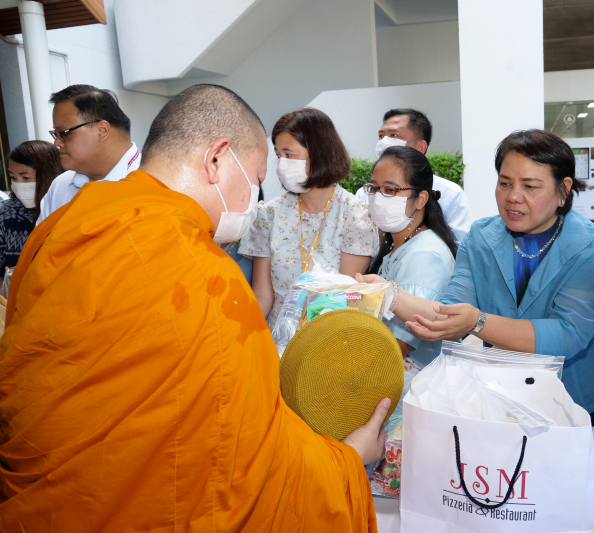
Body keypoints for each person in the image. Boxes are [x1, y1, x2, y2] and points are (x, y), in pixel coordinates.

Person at [0, 84, 387, 531]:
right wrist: (347, 460)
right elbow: (252, 464)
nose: (255, 197)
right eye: (258, 178)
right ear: (216, 159)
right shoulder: (204, 277)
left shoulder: (65, 225)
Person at [359, 129, 594, 423]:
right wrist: (388, 292)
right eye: (504, 183)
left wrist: (477, 321)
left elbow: (565, 336)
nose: (513, 197)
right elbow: (450, 313)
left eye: (530, 186)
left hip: (577, 401)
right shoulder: (482, 237)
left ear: (563, 189)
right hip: (504, 398)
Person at [239, 108, 378, 325]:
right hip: (277, 338)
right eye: (278, 155)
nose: (281, 164)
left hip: (329, 336)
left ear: (319, 152)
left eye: (289, 154)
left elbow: (345, 294)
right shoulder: (269, 215)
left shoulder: (355, 215)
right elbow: (263, 296)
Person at [364, 146, 457, 368]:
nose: (378, 198)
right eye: (374, 188)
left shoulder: (425, 254)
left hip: (409, 385)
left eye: (390, 190)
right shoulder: (398, 244)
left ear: (420, 199)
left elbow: (401, 343)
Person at [355, 108, 474, 243]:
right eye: (381, 136)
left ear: (420, 147)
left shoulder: (451, 194)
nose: (383, 142)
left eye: (393, 135)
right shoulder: (364, 194)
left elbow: (462, 248)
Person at [38, 84, 140, 224]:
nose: (57, 142)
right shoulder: (60, 186)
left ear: (102, 130)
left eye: (64, 133)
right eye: (55, 134)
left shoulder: (154, 182)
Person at [1, 141, 62, 275]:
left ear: (49, 174)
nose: (18, 184)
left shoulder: (66, 209)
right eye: (13, 177)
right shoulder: (6, 214)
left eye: (26, 177)